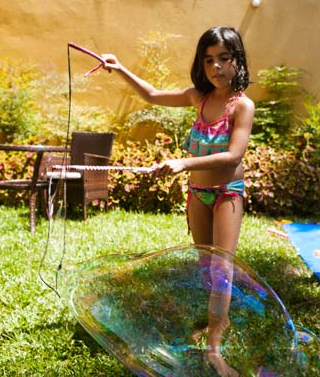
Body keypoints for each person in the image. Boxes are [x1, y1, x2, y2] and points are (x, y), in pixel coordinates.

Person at [101, 26, 254, 377]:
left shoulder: (242, 106)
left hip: (227, 192)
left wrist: (183, 163)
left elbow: (233, 156)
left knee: (223, 268)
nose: (216, 67)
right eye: (209, 60)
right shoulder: (197, 97)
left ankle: (215, 348)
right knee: (205, 264)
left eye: (224, 59)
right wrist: (120, 67)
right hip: (198, 194)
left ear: (237, 61)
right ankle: (221, 320)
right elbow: (152, 95)